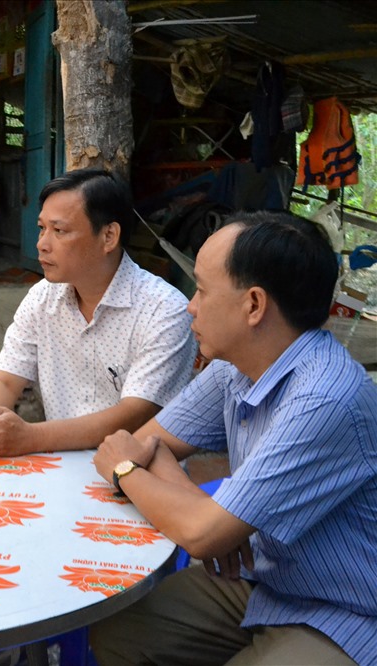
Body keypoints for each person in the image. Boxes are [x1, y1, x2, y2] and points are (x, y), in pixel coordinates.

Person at [90, 212, 376, 666]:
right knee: (120, 630)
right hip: (266, 578)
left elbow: (182, 514)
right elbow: (147, 441)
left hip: (343, 611)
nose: (191, 306)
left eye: (202, 290)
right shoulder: (235, 367)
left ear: (254, 305)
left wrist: (126, 471)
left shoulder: (326, 397)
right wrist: (208, 517)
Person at [0, 169, 196, 455]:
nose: (42, 244)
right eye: (42, 228)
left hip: (137, 477)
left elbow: (133, 413)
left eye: (59, 230)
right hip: (58, 467)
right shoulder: (41, 298)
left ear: (109, 236)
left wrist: (28, 437)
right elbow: (5, 379)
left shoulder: (164, 310)